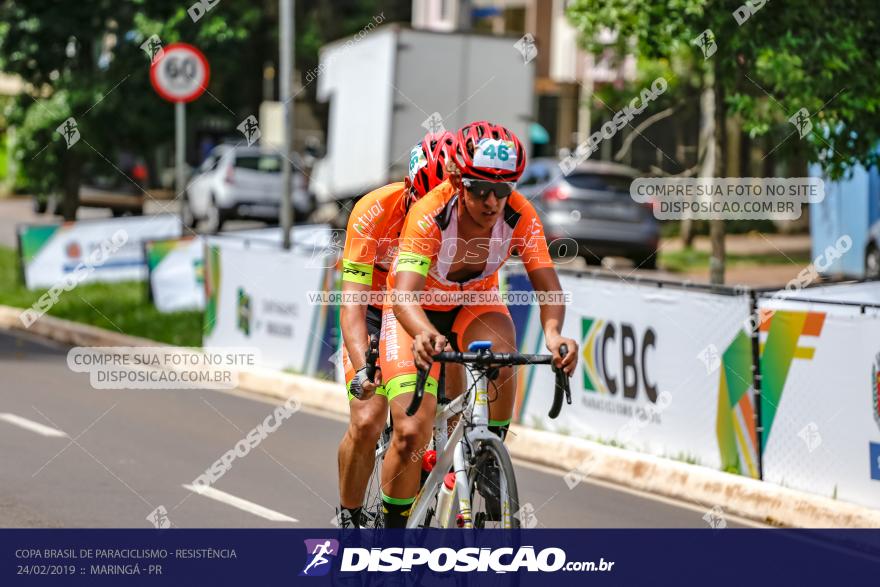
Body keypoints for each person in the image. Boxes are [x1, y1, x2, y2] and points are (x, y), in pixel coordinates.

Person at [378, 121, 578, 528]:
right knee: (412, 431)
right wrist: (422, 333)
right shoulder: (431, 213)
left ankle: (488, 458)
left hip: (473, 299)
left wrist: (555, 335)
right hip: (415, 309)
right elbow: (403, 295)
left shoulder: (520, 214)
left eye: (502, 190)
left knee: (503, 359)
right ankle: (391, 535)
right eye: (480, 189)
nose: (491, 202)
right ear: (456, 180)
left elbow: (548, 286)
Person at [336, 131, 456, 528]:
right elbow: (352, 306)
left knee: (453, 412)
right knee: (368, 418)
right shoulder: (373, 211)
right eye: (421, 203)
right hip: (373, 309)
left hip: (428, 311)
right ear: (408, 188)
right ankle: (350, 517)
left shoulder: (458, 215)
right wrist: (363, 368)